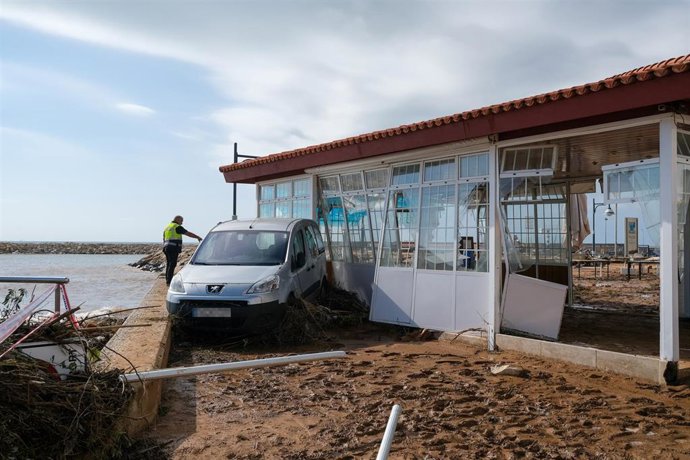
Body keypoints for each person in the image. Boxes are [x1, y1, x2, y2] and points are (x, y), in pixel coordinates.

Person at [163, 215, 202, 285]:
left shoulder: (167, 227)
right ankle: (169, 281)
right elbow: (188, 233)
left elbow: (164, 238)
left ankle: (167, 280)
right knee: (172, 264)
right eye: (181, 221)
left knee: (169, 263)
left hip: (166, 248)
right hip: (173, 247)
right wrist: (197, 237)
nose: (182, 223)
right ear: (178, 220)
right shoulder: (177, 226)